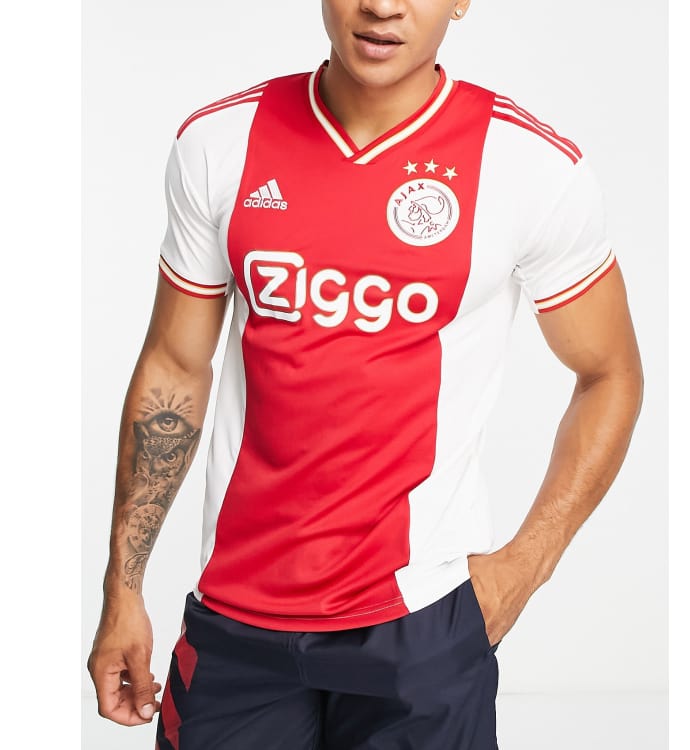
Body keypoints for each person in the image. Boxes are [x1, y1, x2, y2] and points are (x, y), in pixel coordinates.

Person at [87, 1, 643, 747]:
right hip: (235, 626)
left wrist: (524, 567)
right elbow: (175, 366)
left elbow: (610, 372)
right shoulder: (221, 142)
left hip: (421, 626)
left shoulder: (530, 167)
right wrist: (123, 588)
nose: (382, 5)